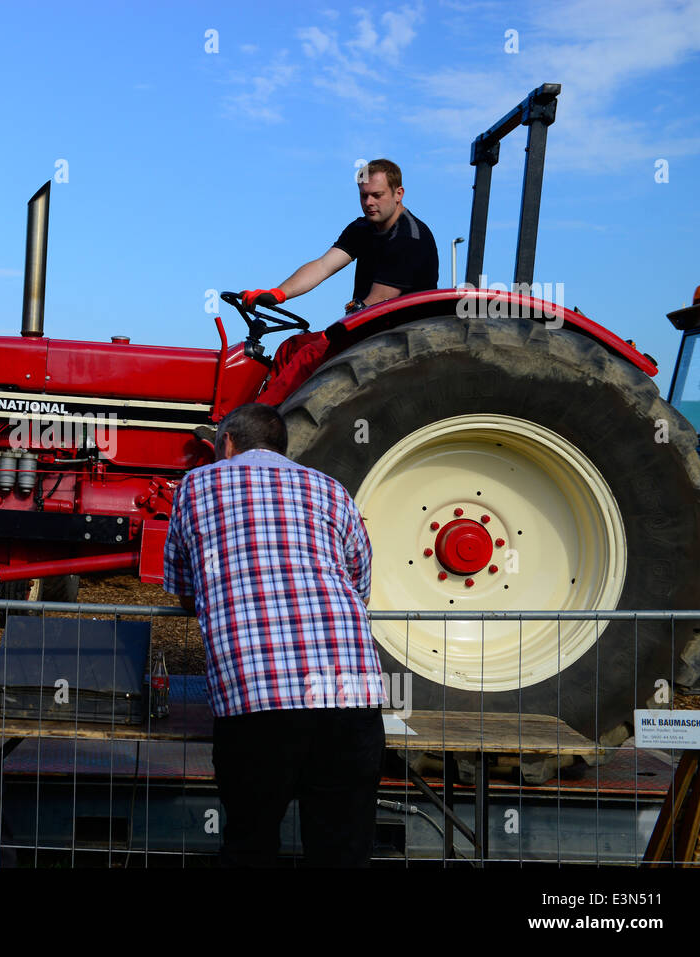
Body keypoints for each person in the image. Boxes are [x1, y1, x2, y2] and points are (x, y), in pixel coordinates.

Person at [163, 402, 385, 867]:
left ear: (226, 443)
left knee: (251, 842)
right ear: (284, 447)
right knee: (343, 850)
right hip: (349, 690)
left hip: (257, 696)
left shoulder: (196, 486)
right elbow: (359, 582)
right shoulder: (330, 488)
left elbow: (184, 589)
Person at [240, 157, 438, 314]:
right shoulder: (362, 227)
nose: (368, 202)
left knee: (308, 356)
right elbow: (323, 266)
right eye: (363, 195)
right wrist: (278, 293)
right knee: (291, 349)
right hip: (373, 327)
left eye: (377, 195)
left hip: (400, 331)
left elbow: (378, 302)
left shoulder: (409, 237)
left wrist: (333, 336)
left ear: (398, 194)